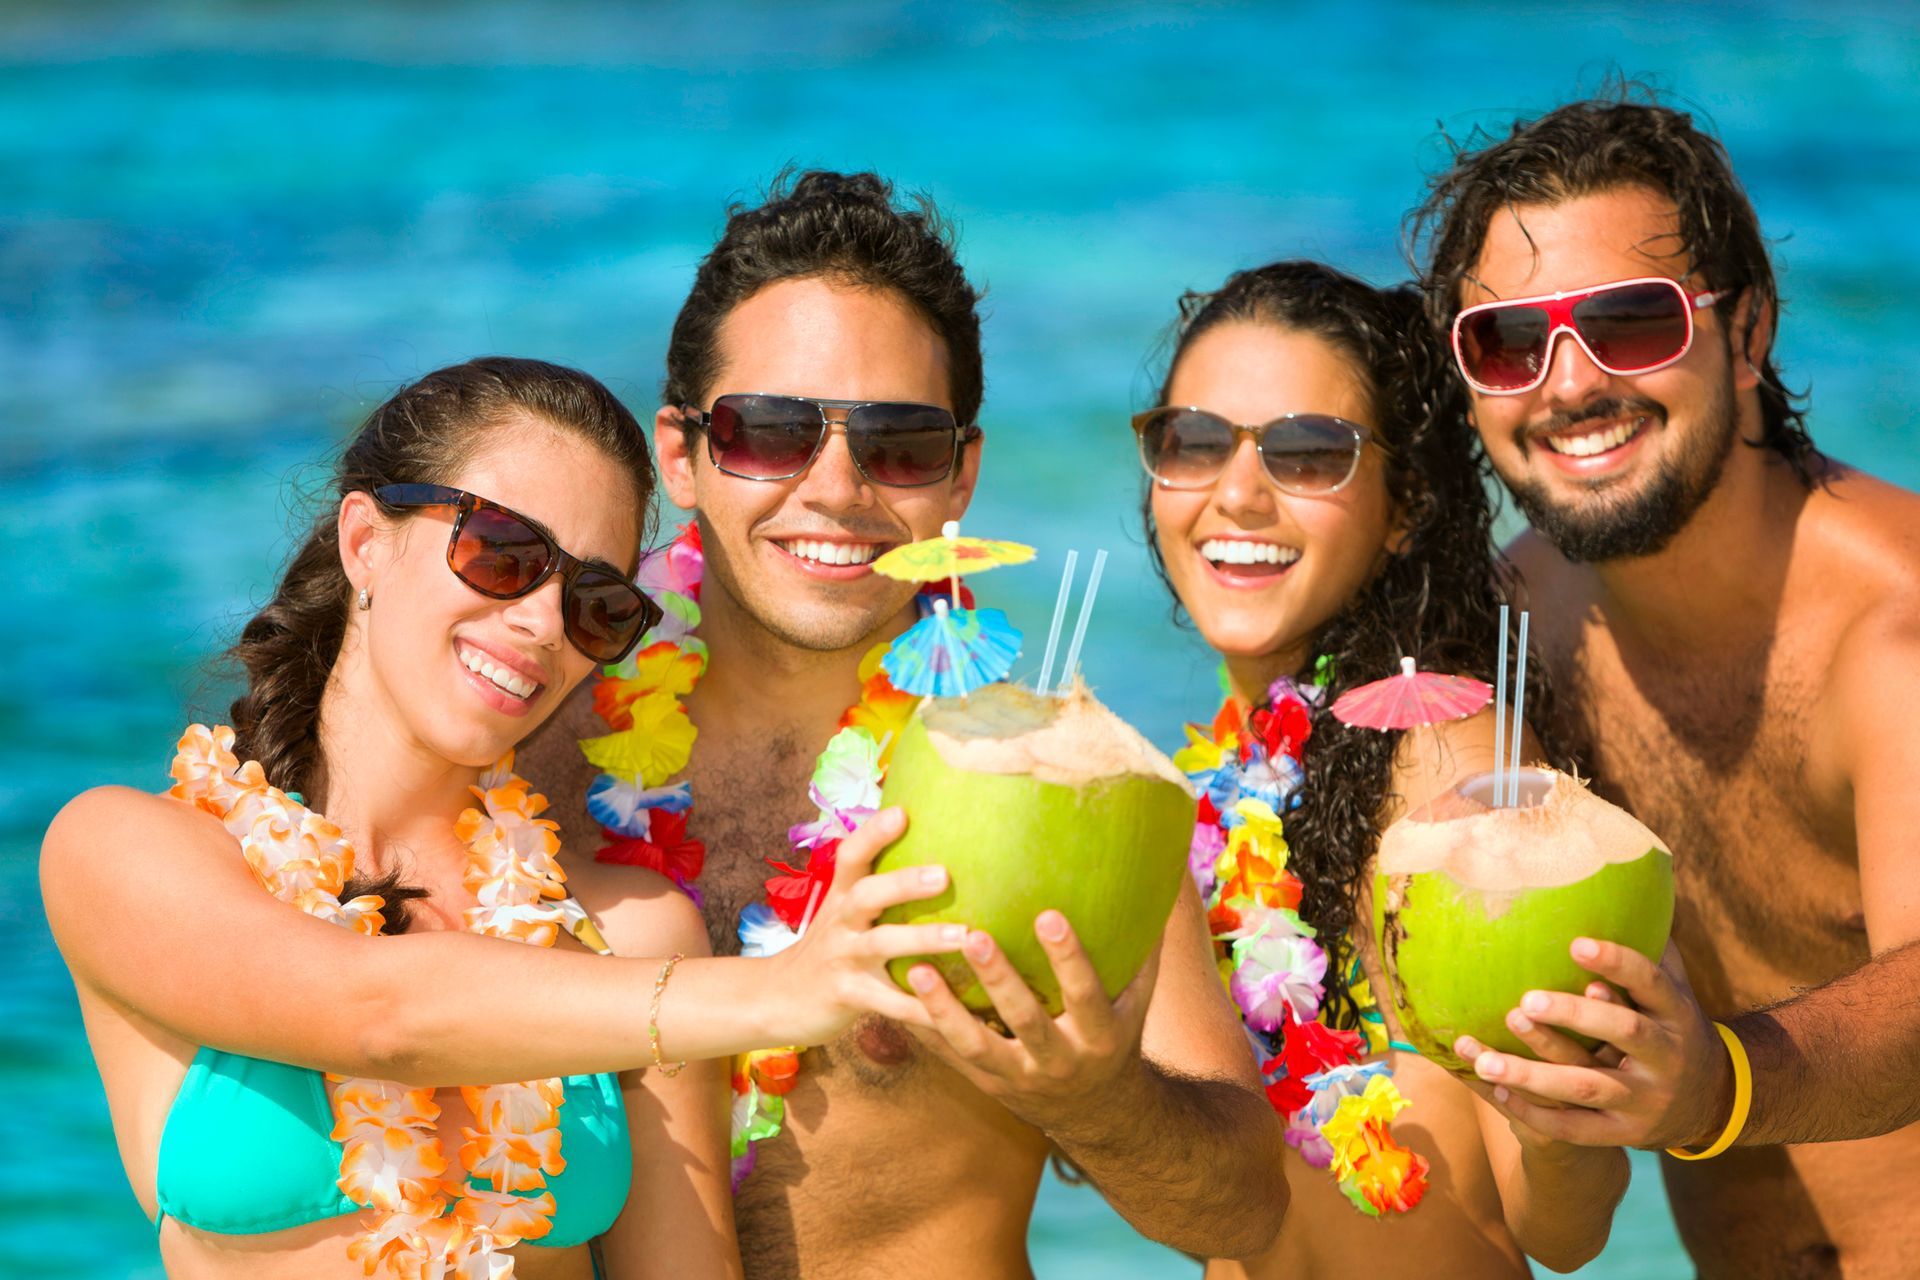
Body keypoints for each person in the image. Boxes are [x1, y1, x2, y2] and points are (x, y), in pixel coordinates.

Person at [41, 356, 967, 1279]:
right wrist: (780, 994)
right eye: (502, 553)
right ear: (365, 542)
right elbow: (377, 1015)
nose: (541, 623)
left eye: (595, 604)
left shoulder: (631, 932)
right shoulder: (126, 851)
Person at [520, 170, 1288, 1278]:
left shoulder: (1067, 775)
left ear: (961, 473)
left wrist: (1102, 1098)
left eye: (901, 443)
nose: (835, 487)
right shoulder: (539, 738)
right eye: (770, 430)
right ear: (681, 454)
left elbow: (1244, 1210)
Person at [1412, 93, 1920, 1276]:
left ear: (1747, 337)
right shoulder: (1510, 631)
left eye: (1631, 322)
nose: (1570, 384)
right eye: (1508, 341)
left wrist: (1717, 1081)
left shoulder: (1893, 635)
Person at [1134, 260, 1629, 1276]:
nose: (1237, 493)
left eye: (1308, 454)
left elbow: (1563, 1226)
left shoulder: (1443, 759)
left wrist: (1558, 1115)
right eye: (1193, 443)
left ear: (1403, 506)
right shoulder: (1232, 768)